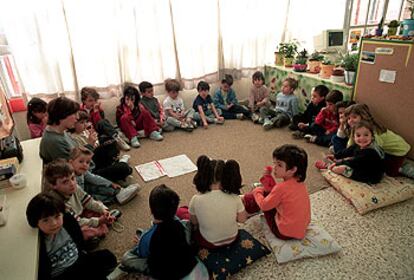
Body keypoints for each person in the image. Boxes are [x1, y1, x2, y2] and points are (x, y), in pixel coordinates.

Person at [117, 184, 208, 280]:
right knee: (186, 224)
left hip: (163, 272)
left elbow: (144, 254)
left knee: (127, 258)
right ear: (175, 209)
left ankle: (140, 243)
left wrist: (140, 243)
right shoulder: (180, 225)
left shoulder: (148, 238)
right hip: (186, 264)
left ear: (151, 211)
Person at [26, 192, 117, 280]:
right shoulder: (39, 242)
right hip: (61, 274)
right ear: (36, 223)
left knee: (108, 257)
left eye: (57, 216)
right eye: (46, 220)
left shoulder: (68, 222)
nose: (54, 223)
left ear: (62, 214)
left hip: (78, 260)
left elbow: (79, 242)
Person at [44, 159, 116, 241]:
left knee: (98, 205)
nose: (72, 183)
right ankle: (98, 230)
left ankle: (105, 219)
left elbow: (89, 201)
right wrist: (99, 221)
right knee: (81, 232)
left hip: (81, 213)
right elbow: (77, 222)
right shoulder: (58, 202)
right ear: (53, 185)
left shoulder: (74, 187)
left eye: (73, 178)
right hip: (74, 222)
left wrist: (103, 210)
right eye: (65, 182)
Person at [333, 103, 410, 176]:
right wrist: (342, 156)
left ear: (363, 117)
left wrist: (349, 159)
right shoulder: (356, 129)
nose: (350, 120)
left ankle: (404, 167)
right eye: (349, 118)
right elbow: (351, 145)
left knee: (387, 171)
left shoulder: (372, 132)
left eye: (354, 117)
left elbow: (376, 153)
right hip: (384, 149)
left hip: (398, 152)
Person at [252, 144, 310, 240]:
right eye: (274, 163)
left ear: (292, 169)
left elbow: (264, 205)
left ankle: (252, 199)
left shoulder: (280, 188)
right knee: (273, 196)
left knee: (266, 198)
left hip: (284, 233)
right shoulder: (301, 184)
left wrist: (256, 191)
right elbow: (282, 194)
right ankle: (265, 186)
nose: (274, 167)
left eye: (279, 165)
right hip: (302, 228)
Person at [189, 156, 247, 249]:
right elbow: (242, 220)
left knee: (183, 212)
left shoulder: (196, 199)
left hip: (208, 242)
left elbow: (194, 222)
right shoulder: (235, 197)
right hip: (233, 238)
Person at [68, 111, 133, 182]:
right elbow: (86, 156)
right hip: (92, 164)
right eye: (82, 123)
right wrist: (91, 144)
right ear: (73, 124)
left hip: (98, 157)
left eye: (85, 122)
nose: (85, 125)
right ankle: (120, 168)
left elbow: (97, 144)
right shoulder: (74, 138)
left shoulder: (84, 132)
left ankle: (117, 165)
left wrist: (95, 139)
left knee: (110, 141)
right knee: (124, 168)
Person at [316, 121, 385, 184]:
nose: (362, 138)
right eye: (358, 135)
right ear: (354, 137)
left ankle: (328, 166)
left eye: (366, 135)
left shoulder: (370, 152)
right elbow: (347, 151)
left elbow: (352, 162)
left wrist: (336, 164)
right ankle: (334, 164)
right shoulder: (357, 146)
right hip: (361, 166)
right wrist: (335, 156)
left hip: (369, 176)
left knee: (342, 168)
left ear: (372, 137)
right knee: (347, 159)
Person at [69, 147, 139, 205]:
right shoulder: (70, 178)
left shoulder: (83, 172)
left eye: (87, 162)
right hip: (78, 199)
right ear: (71, 162)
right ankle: (116, 197)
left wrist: (110, 183)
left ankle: (118, 192)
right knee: (95, 196)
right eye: (81, 161)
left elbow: (94, 178)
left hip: (84, 189)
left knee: (98, 185)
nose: (85, 165)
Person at [40, 97, 80, 164]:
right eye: (74, 114)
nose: (78, 117)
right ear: (62, 115)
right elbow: (74, 168)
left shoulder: (61, 131)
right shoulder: (54, 141)